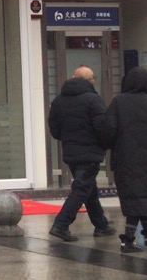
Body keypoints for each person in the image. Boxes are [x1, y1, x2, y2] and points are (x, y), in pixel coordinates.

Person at [100, 66, 147, 253]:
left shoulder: (118, 102)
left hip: (124, 157)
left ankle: (136, 236)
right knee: (143, 194)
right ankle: (138, 236)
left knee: (132, 196)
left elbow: (109, 130)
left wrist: (114, 144)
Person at [47, 65, 116, 242]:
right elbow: (102, 127)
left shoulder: (59, 101)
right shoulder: (94, 100)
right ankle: (61, 224)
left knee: (88, 188)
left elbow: (54, 128)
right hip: (90, 153)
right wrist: (105, 144)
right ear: (90, 81)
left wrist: (68, 139)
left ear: (73, 77)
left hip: (70, 152)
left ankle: (101, 225)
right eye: (93, 78)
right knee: (82, 189)